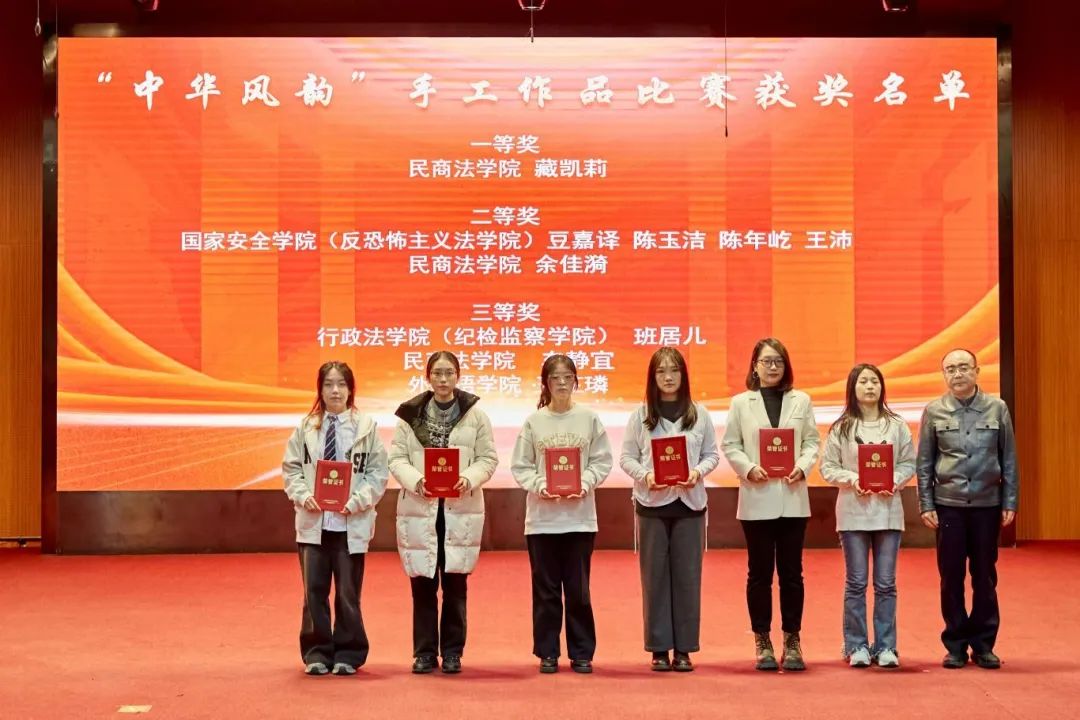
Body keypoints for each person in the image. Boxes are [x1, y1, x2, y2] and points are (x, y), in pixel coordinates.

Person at [389, 351, 498, 675]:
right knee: (422, 584)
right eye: (437, 373)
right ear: (428, 377)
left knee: (455, 585)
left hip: (459, 509)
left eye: (449, 372)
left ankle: (452, 652)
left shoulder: (475, 416)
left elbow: (488, 459)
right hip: (420, 507)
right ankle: (424, 653)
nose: (443, 379)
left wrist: (469, 478)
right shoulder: (410, 414)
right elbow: (397, 459)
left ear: (457, 376)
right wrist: (416, 480)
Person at [282, 361, 389, 676]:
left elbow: (378, 473)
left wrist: (357, 501)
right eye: (328, 384)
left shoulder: (365, 428)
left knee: (347, 593)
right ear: (320, 389)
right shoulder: (306, 428)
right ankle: (316, 652)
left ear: (351, 389)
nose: (335, 391)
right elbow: (291, 468)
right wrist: (304, 495)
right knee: (314, 591)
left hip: (349, 522)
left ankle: (349, 652)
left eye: (341, 384)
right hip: (314, 521)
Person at [721, 337, 820, 671]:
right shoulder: (740, 403)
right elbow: (731, 444)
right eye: (766, 361)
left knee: (792, 574)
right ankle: (762, 639)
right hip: (757, 496)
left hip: (792, 496)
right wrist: (748, 468)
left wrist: (802, 466)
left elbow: (811, 441)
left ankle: (792, 639)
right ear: (755, 366)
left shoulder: (801, 400)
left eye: (778, 361)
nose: (773, 367)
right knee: (759, 574)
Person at [917, 348, 1018, 670]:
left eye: (963, 367)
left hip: (988, 506)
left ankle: (984, 645)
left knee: (985, 577)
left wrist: (1010, 501)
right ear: (944, 375)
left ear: (977, 370)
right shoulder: (934, 411)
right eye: (950, 369)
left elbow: (1009, 459)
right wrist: (926, 503)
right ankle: (956, 645)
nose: (957, 374)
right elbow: (924, 463)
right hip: (949, 506)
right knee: (951, 577)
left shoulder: (997, 408)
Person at [511, 354, 612, 674]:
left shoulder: (589, 419)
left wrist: (585, 482)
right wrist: (541, 485)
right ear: (546, 384)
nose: (562, 383)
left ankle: (582, 652)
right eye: (555, 378)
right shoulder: (534, 422)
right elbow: (520, 466)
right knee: (546, 591)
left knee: (579, 591)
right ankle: (548, 652)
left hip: (580, 518)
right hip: (542, 521)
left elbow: (602, 461)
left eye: (568, 377)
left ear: (576, 381)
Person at [619, 347, 719, 672]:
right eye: (661, 371)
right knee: (655, 579)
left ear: (683, 375)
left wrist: (698, 472)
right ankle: (659, 649)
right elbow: (626, 458)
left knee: (688, 578)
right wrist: (646, 476)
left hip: (689, 504)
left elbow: (712, 454)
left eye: (674, 370)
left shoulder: (699, 414)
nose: (668, 377)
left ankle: (685, 649)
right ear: (653, 377)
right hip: (652, 505)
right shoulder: (640, 415)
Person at [820, 364, 915, 669]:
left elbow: (908, 463)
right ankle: (856, 645)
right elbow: (827, 468)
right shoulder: (842, 428)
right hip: (853, 514)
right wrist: (853, 479)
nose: (870, 386)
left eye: (875, 381)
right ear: (853, 387)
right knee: (856, 582)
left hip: (888, 513)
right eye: (864, 381)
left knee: (886, 583)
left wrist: (893, 480)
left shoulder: (896, 425)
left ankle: (886, 646)